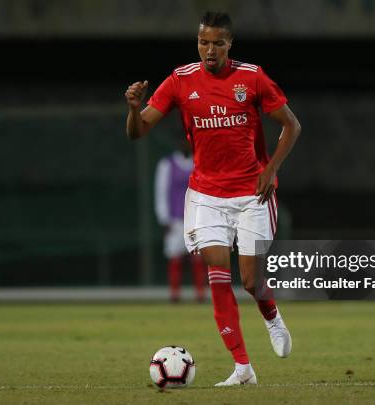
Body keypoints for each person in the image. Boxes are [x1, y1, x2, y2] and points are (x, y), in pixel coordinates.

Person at [125, 11, 301, 386]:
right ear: (198, 43)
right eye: (204, 42)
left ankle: (271, 317)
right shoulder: (180, 80)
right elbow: (138, 132)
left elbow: (291, 125)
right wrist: (133, 109)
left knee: (251, 281)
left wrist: (270, 170)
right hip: (206, 196)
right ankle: (242, 368)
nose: (209, 49)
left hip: (252, 193)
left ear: (229, 44)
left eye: (217, 43)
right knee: (218, 278)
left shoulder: (251, 78)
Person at [154, 142, 206, 302]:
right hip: (175, 220)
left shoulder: (200, 163)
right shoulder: (167, 164)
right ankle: (174, 294)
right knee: (174, 256)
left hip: (196, 219)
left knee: (197, 258)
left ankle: (200, 294)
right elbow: (161, 191)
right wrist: (163, 217)